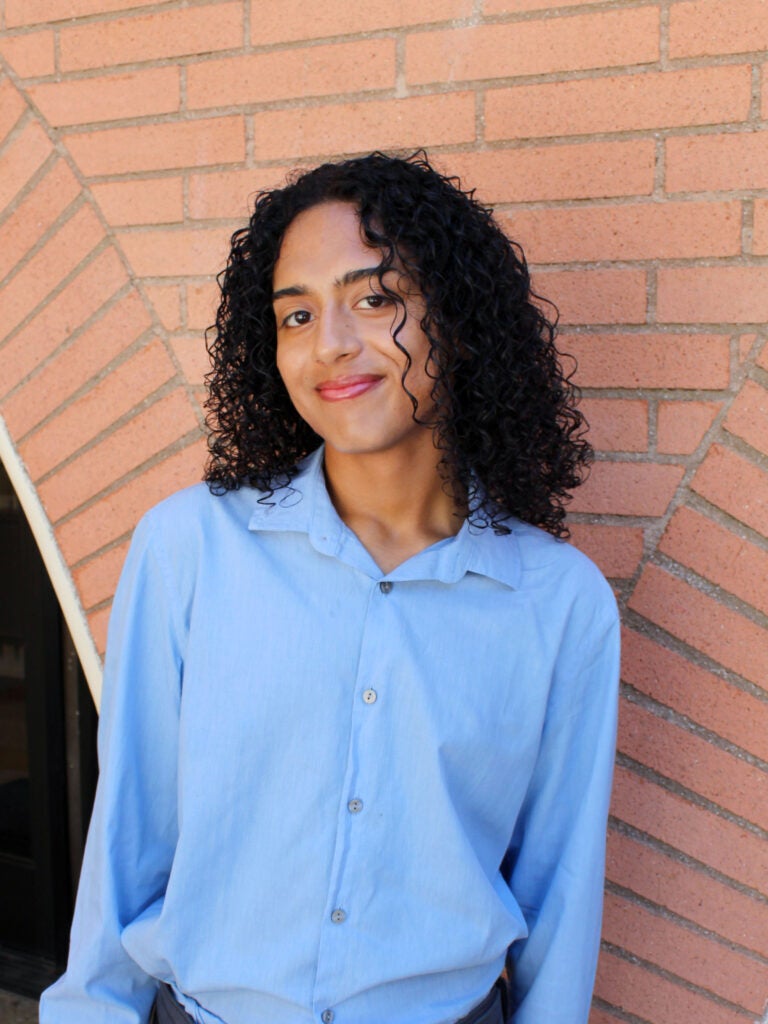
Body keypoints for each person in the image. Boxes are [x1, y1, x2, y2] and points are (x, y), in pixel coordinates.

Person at [40, 151, 620, 1024]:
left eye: (375, 299)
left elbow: (560, 894)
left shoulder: (558, 602)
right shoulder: (191, 548)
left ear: (455, 321)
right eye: (297, 315)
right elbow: (130, 837)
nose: (331, 345)